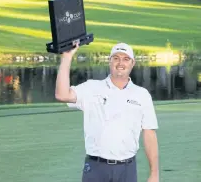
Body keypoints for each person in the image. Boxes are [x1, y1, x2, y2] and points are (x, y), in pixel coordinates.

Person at [55, 42, 159, 182]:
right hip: (96, 167)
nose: (120, 62)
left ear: (132, 63)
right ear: (109, 61)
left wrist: (154, 173)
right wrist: (67, 57)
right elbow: (62, 95)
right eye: (116, 58)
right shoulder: (91, 88)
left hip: (127, 169)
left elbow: (149, 134)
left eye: (125, 59)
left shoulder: (142, 95)